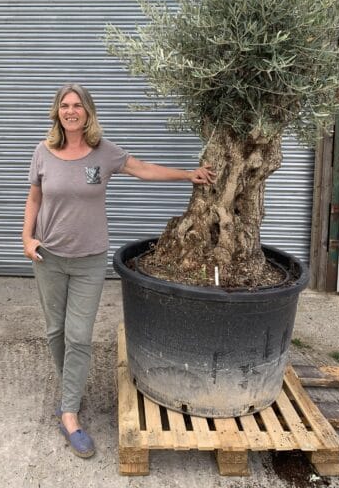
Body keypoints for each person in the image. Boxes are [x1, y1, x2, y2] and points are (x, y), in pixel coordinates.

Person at [22, 83, 214, 459]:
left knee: (79, 336)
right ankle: (70, 391)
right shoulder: (43, 152)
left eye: (77, 105)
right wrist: (26, 239)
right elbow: (34, 198)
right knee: (55, 331)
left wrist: (187, 174)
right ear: (57, 111)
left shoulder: (103, 152)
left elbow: (142, 169)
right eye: (65, 105)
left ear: (88, 112)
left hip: (89, 260)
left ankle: (69, 414)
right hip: (49, 258)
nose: (71, 111)